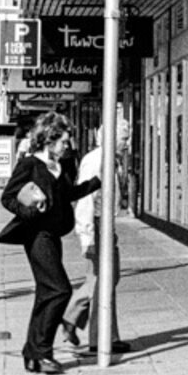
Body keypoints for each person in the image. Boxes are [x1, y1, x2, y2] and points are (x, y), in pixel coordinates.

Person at [0, 111, 101, 375]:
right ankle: (43, 352)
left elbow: (68, 193)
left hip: (53, 235)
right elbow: (8, 197)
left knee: (46, 293)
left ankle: (32, 352)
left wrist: (97, 182)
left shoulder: (62, 165)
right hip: (35, 234)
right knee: (60, 290)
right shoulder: (30, 164)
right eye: (64, 141)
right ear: (49, 139)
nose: (67, 145)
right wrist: (29, 210)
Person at [59, 131, 129, 355]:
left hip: (106, 225)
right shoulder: (96, 160)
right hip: (97, 227)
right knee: (103, 280)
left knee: (105, 278)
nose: (127, 143)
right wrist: (87, 236)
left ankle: (81, 322)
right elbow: (85, 199)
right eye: (124, 138)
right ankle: (100, 336)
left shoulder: (111, 160)